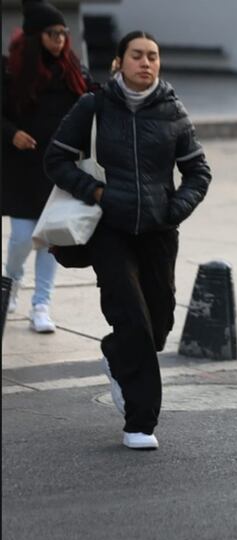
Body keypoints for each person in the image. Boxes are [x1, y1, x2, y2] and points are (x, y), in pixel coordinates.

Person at [45, 31, 211, 450]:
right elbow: (56, 159)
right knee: (133, 321)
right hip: (110, 231)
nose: (146, 63)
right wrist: (97, 193)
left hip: (158, 233)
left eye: (153, 56)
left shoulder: (172, 111)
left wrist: (175, 209)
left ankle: (116, 355)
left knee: (157, 327)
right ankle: (140, 422)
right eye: (137, 55)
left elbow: (199, 172)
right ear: (119, 62)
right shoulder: (94, 106)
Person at [2, 0, 95, 332]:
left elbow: (93, 101)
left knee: (50, 240)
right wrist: (11, 134)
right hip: (21, 170)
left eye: (63, 33)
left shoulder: (73, 71)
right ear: (33, 36)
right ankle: (10, 281)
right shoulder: (11, 71)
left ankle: (41, 304)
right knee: (22, 239)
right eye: (51, 33)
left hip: (59, 170)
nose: (59, 39)